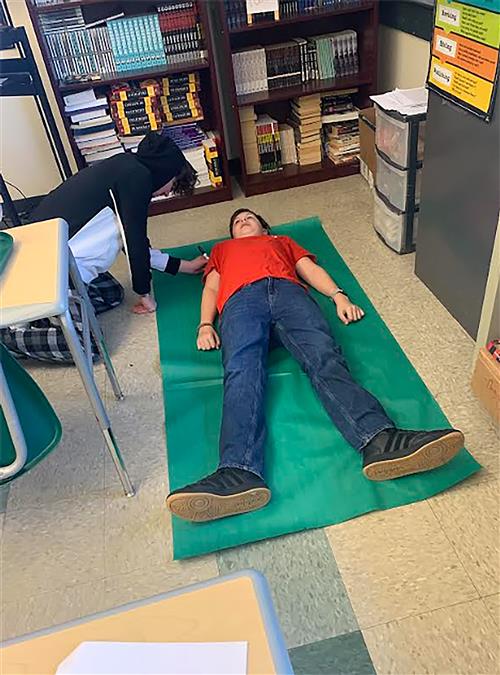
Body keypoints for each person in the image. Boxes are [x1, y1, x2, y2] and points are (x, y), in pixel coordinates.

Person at [166, 208, 465, 523]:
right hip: (240, 303)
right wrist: (204, 325)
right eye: (236, 221)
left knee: (324, 357)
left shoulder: (281, 241)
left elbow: (307, 270)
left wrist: (339, 296)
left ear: (264, 228)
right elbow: (212, 288)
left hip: (288, 294)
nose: (242, 221)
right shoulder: (222, 250)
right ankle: (238, 472)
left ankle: (380, 440)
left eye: (248, 218)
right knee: (241, 372)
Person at [0, 132, 206, 363]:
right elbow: (134, 242)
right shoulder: (138, 178)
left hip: (55, 255)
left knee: (113, 294)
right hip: (52, 267)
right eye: (173, 184)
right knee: (88, 348)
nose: (168, 191)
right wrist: (144, 293)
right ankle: (7, 338)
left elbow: (134, 243)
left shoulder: (126, 166)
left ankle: (45, 317)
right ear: (165, 172)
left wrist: (185, 266)